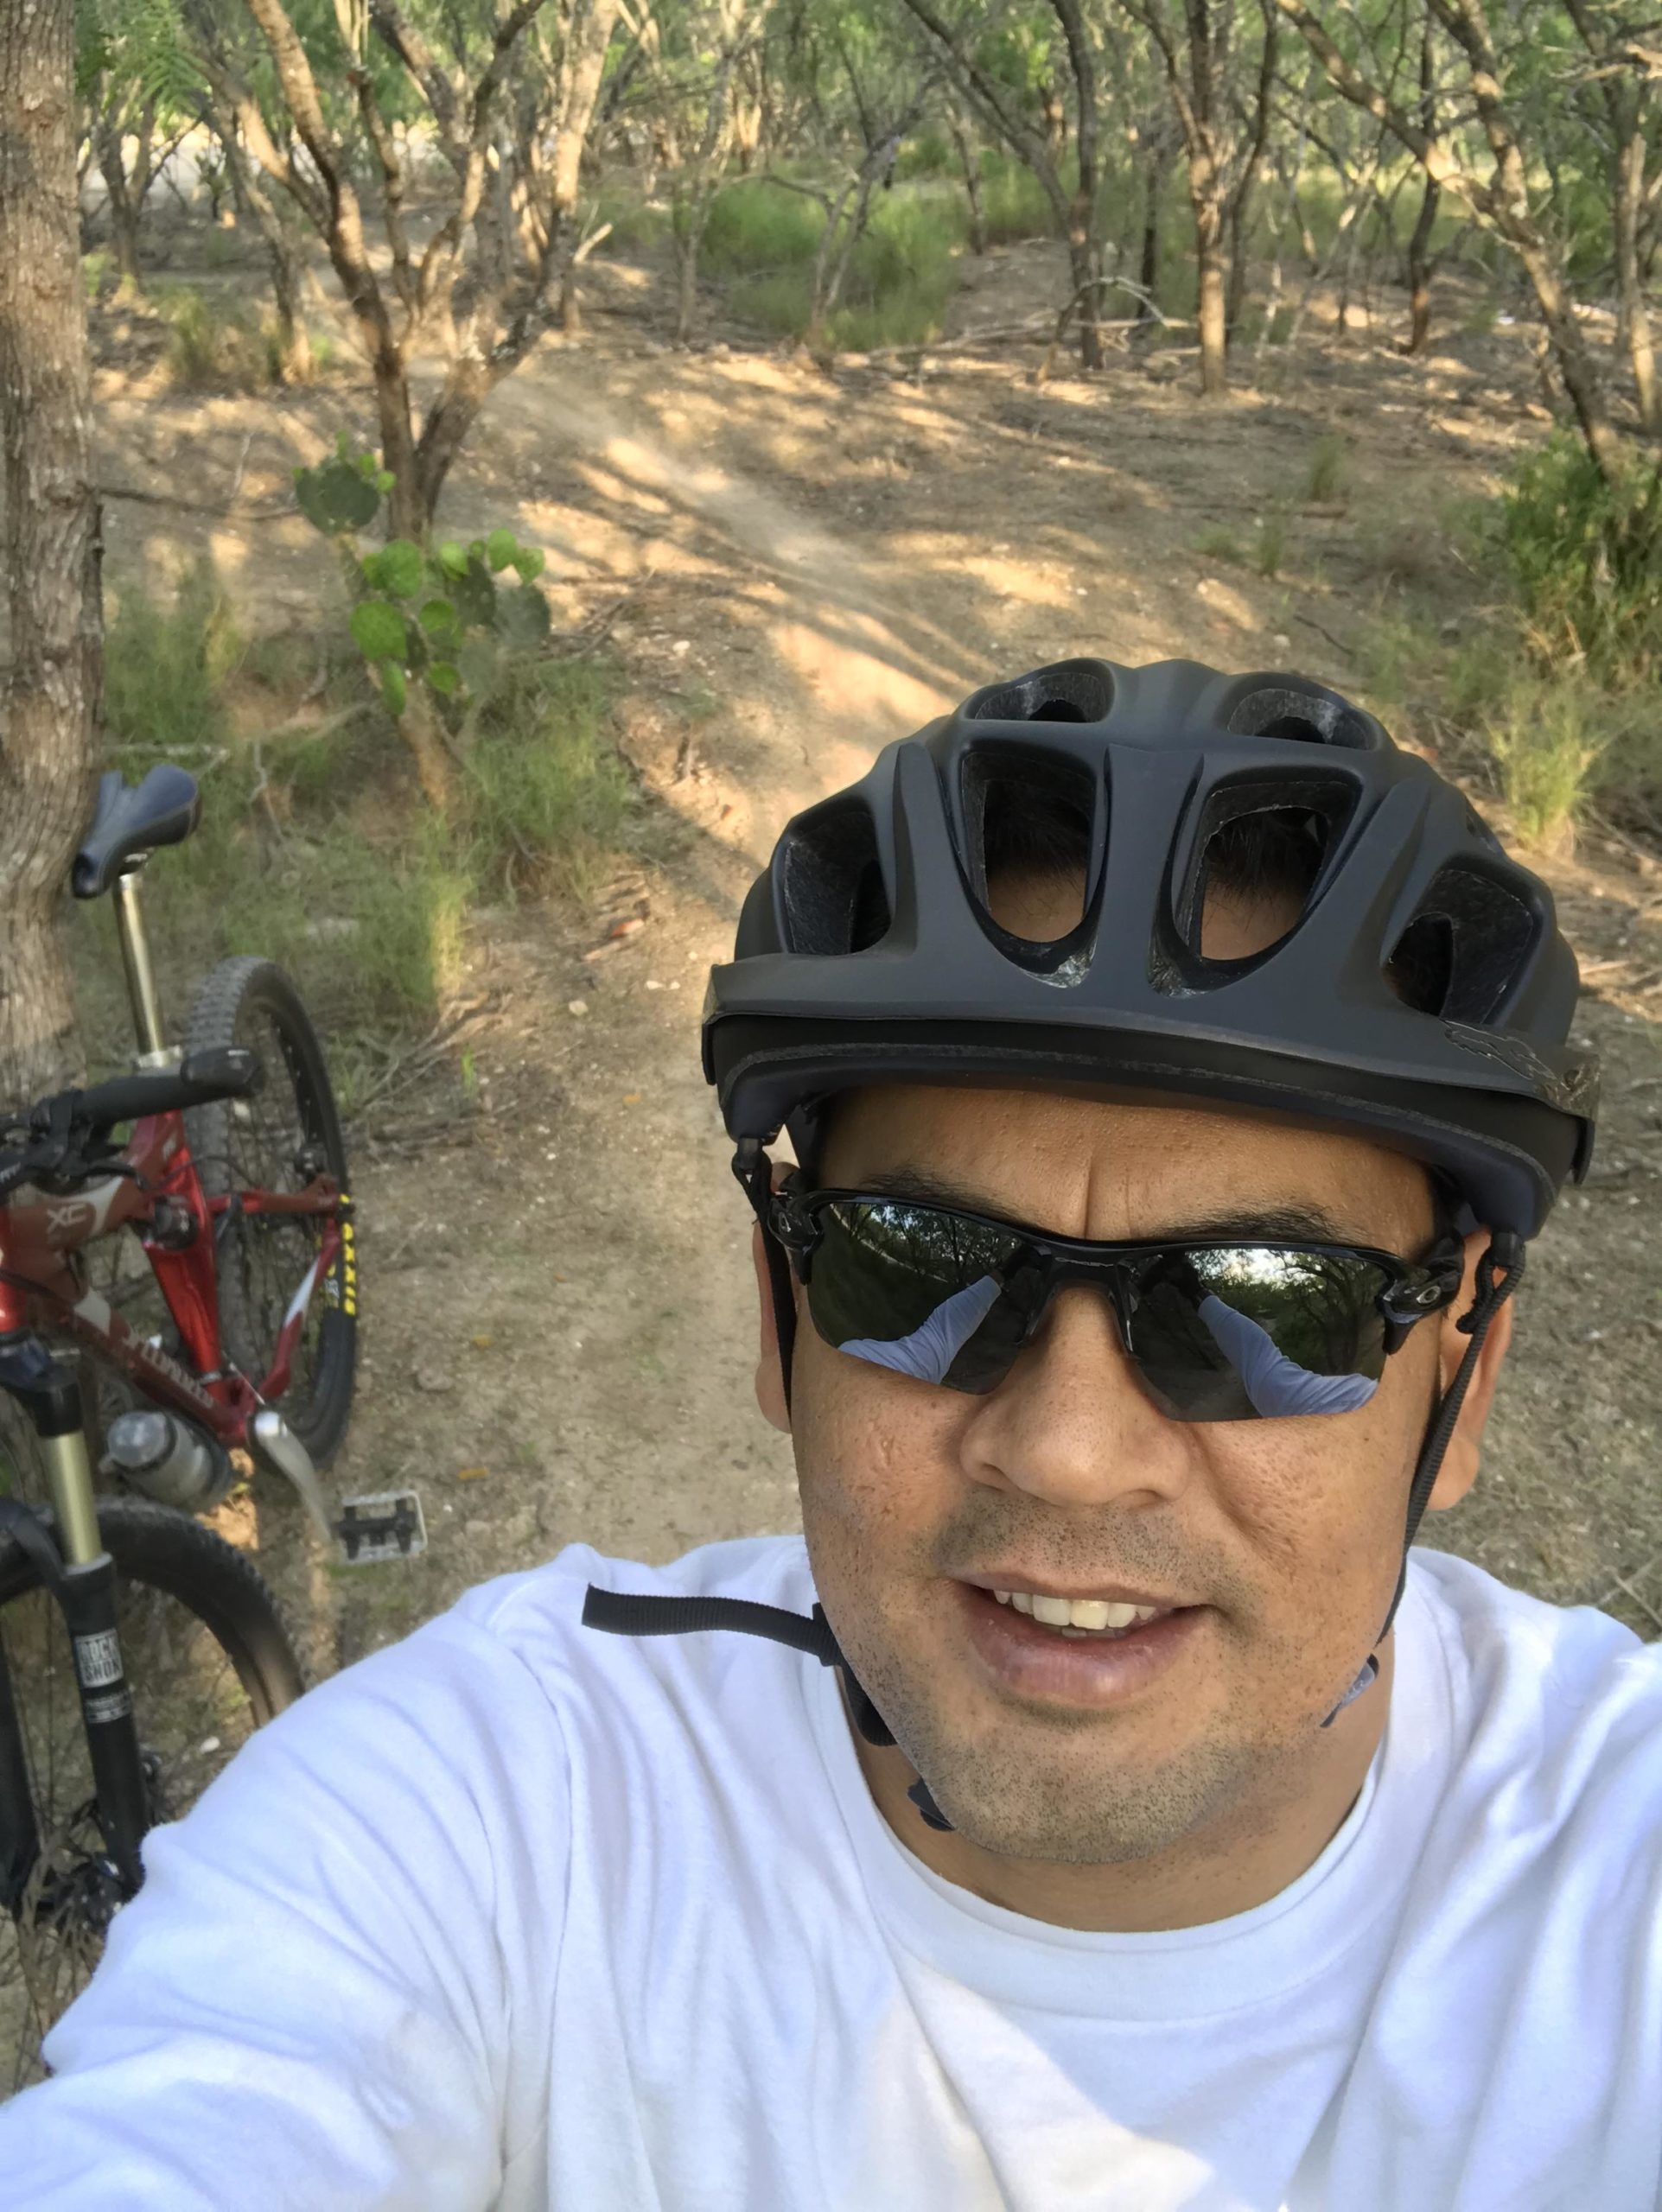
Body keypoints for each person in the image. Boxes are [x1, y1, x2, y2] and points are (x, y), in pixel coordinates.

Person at [2, 654, 1657, 2210]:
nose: (1069, 1449)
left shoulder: (1620, 1867)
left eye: (1269, 1301)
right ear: (782, 1316)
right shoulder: (503, 1805)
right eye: (917, 1264)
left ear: (1467, 1380)